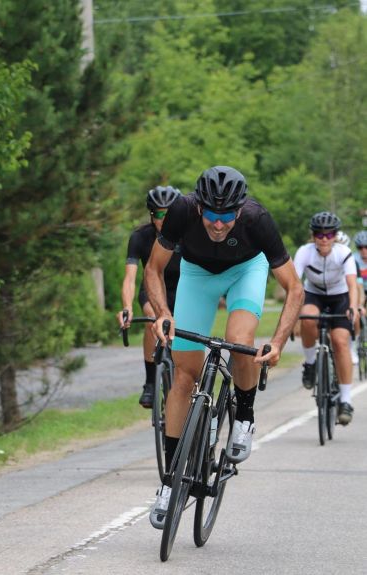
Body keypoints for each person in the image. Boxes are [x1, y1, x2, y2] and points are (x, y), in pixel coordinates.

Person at [144, 166, 303, 529]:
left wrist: (277, 342)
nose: (219, 224)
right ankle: (170, 484)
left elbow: (295, 288)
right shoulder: (181, 210)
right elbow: (153, 269)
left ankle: (244, 417)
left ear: (239, 210)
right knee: (184, 376)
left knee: (240, 341)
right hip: (197, 274)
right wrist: (163, 313)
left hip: (245, 271)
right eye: (212, 216)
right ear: (199, 208)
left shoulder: (258, 220)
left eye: (227, 216)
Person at [117, 186, 182, 408]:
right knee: (152, 319)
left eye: (169, 214)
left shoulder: (188, 234)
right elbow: (130, 277)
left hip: (182, 291)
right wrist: (127, 307)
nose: (163, 219)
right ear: (151, 214)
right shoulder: (140, 237)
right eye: (158, 214)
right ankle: (151, 382)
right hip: (153, 289)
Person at [293, 212, 358, 427]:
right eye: (319, 234)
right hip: (314, 294)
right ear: (312, 236)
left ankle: (346, 401)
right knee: (308, 318)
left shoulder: (344, 252)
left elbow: (352, 285)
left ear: (335, 236)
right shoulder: (304, 252)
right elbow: (294, 285)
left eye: (329, 234)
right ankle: (310, 364)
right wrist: (292, 316)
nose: (323, 239)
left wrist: (352, 307)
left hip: (340, 296)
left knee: (340, 342)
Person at [336, 231, 364, 364]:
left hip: (353, 294)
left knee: (355, 315)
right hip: (336, 296)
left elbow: (357, 288)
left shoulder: (352, 262)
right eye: (360, 247)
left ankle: (353, 345)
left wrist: (359, 305)